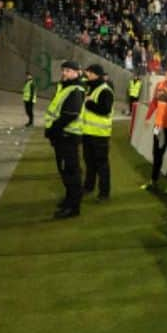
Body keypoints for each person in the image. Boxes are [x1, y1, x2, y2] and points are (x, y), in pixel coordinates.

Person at [45, 61, 85, 219]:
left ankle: (73, 207)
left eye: (68, 71)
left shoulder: (75, 89)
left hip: (67, 136)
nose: (64, 73)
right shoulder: (67, 87)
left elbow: (69, 114)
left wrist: (53, 129)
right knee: (66, 171)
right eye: (63, 70)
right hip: (63, 136)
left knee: (71, 172)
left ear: (77, 72)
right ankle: (70, 199)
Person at [81, 64, 113, 202]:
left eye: (90, 73)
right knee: (89, 163)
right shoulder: (92, 88)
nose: (88, 75)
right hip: (88, 133)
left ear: (97, 75)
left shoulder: (105, 90)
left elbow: (105, 110)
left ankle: (104, 193)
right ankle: (89, 186)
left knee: (102, 165)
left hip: (100, 134)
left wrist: (89, 104)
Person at [141, 70, 167, 193]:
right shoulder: (159, 85)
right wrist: (148, 117)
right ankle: (153, 180)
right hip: (158, 126)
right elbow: (154, 103)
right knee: (156, 153)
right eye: (166, 74)